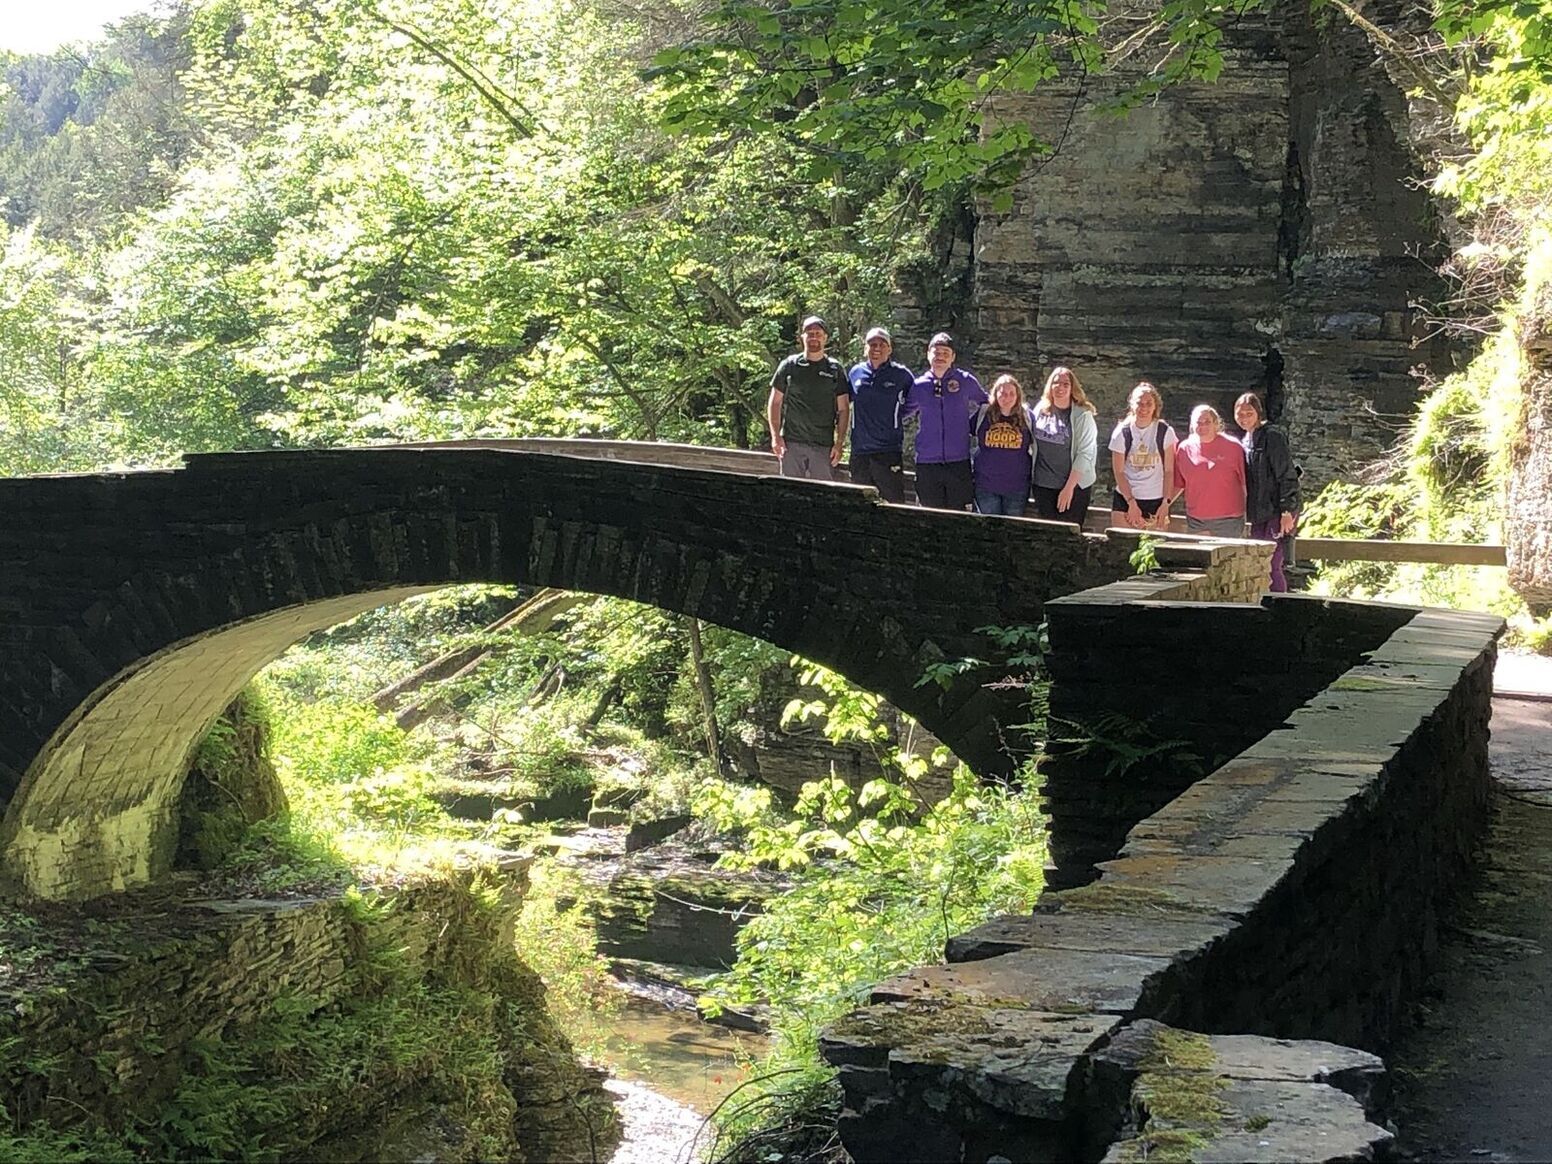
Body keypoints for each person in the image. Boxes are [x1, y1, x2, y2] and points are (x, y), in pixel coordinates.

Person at [901, 332, 987, 510]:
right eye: (936, 352)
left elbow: (987, 404)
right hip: (927, 463)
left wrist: (971, 426)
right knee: (929, 516)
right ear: (928, 354)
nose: (940, 357)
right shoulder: (919, 385)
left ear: (953, 357)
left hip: (958, 462)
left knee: (959, 517)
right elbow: (901, 414)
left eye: (945, 353)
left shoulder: (964, 380)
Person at [768, 315, 850, 481]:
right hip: (791, 444)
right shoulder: (789, 366)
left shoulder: (835, 370)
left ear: (825, 337)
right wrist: (776, 437)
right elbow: (775, 402)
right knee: (789, 493)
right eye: (809, 333)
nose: (814, 337)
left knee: (822, 495)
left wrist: (839, 443)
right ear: (802, 337)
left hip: (823, 445)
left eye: (818, 333)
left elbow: (843, 409)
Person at [1234, 391, 1301, 591]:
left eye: (1249, 413)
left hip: (1278, 509)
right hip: (1259, 512)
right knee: (1257, 562)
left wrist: (1287, 511)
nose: (1244, 418)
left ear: (1258, 413)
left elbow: (1286, 474)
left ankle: (1280, 604)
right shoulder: (1246, 440)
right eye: (1240, 414)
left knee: (1272, 563)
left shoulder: (1272, 436)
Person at [846, 326, 915, 502]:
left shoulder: (902, 375)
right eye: (872, 344)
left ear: (890, 349)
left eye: (882, 345)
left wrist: (897, 416)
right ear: (865, 348)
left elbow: (915, 402)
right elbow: (844, 403)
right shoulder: (855, 373)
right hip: (860, 450)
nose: (877, 348)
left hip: (888, 450)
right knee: (859, 503)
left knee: (893, 504)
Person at [1030, 366, 1099, 529]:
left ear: (1072, 388)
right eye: (1056, 383)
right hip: (1044, 485)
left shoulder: (1083, 415)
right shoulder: (1041, 409)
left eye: (1065, 384)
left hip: (1074, 487)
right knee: (1047, 536)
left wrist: (1068, 489)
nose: (1060, 387)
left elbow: (1085, 454)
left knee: (1070, 536)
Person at [1108, 382, 1178, 529]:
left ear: (1155, 406)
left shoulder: (1165, 431)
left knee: (1152, 549)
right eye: (1140, 403)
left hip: (1156, 499)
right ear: (1132, 405)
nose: (1144, 408)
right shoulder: (1122, 432)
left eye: (1148, 403)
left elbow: (1169, 470)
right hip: (1126, 497)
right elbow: (1119, 472)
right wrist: (1131, 503)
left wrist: (1166, 503)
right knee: (1122, 547)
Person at [1170, 404, 1247, 537]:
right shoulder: (1184, 449)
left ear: (1216, 423)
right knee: (1198, 558)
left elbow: (1246, 483)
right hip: (1197, 520)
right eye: (1198, 422)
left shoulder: (1234, 447)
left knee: (1228, 558)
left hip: (1229, 520)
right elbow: (1179, 484)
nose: (1202, 426)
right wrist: (1163, 506)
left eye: (1207, 422)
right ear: (1192, 425)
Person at [972, 375, 1035, 516]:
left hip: (1017, 487)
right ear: (995, 394)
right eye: (1003, 393)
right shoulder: (984, 414)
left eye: (1012, 394)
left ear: (1018, 396)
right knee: (989, 529)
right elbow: (963, 432)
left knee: (1011, 530)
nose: (1007, 398)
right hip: (986, 485)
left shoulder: (1027, 417)